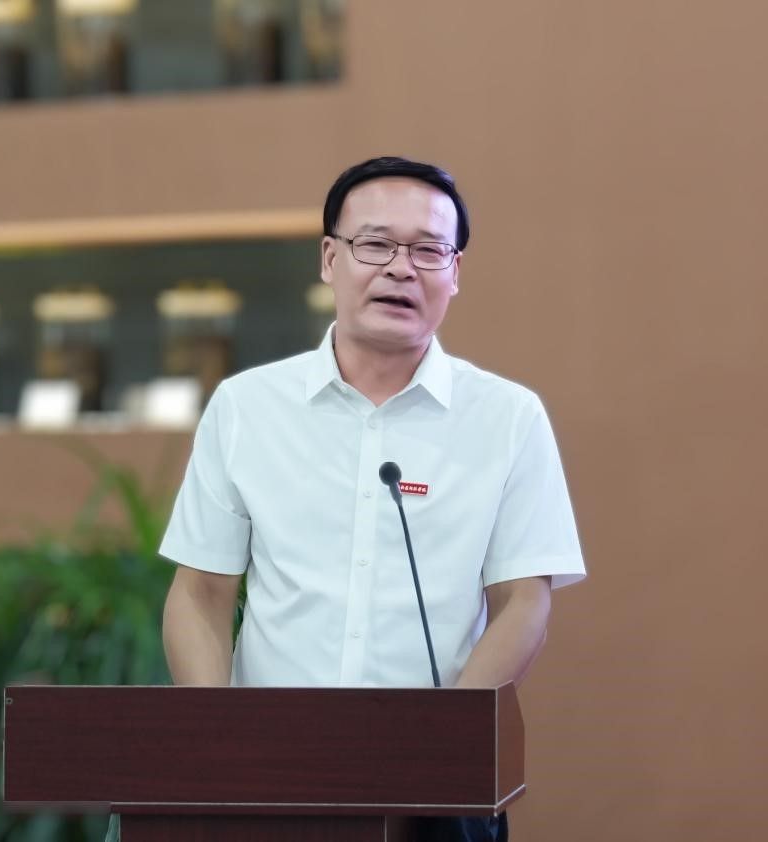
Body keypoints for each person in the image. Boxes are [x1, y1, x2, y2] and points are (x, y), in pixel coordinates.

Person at [160, 156, 586, 842]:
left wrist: (445, 738)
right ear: (330, 259)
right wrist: (219, 741)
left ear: (455, 272)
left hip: (435, 789)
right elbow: (202, 591)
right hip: (268, 774)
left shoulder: (507, 417)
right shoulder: (246, 408)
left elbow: (523, 600)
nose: (401, 269)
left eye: (428, 250)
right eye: (376, 244)